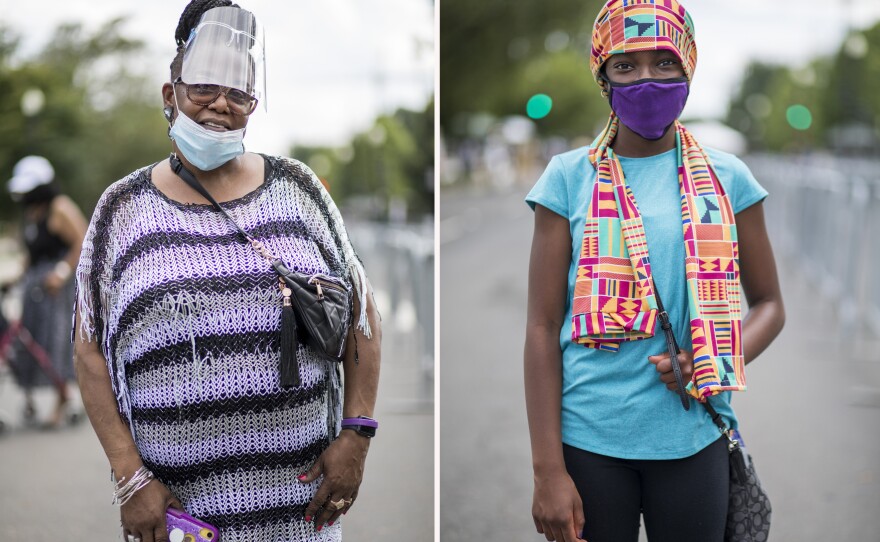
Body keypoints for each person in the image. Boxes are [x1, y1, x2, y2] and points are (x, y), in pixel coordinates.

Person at [72, 2, 381, 541]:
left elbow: (361, 313)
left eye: (237, 93)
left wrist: (356, 434)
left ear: (253, 105)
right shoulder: (120, 209)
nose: (220, 105)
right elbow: (88, 346)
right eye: (202, 89)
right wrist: (128, 476)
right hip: (182, 513)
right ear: (171, 95)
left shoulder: (298, 188)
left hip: (299, 509)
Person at [523, 1, 785, 541]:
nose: (646, 79)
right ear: (604, 77)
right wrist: (548, 471)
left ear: (688, 66)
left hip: (693, 438)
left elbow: (770, 305)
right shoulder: (567, 178)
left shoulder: (729, 177)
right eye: (626, 65)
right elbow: (542, 328)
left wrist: (711, 361)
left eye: (664, 62)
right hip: (590, 440)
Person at [6, 155, 87, 429]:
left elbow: (83, 241)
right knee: (30, 342)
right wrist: (14, 278)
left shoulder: (59, 207)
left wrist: (61, 273)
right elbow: (32, 254)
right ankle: (31, 396)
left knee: (55, 341)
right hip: (34, 289)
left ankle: (63, 400)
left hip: (57, 288)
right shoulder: (32, 213)